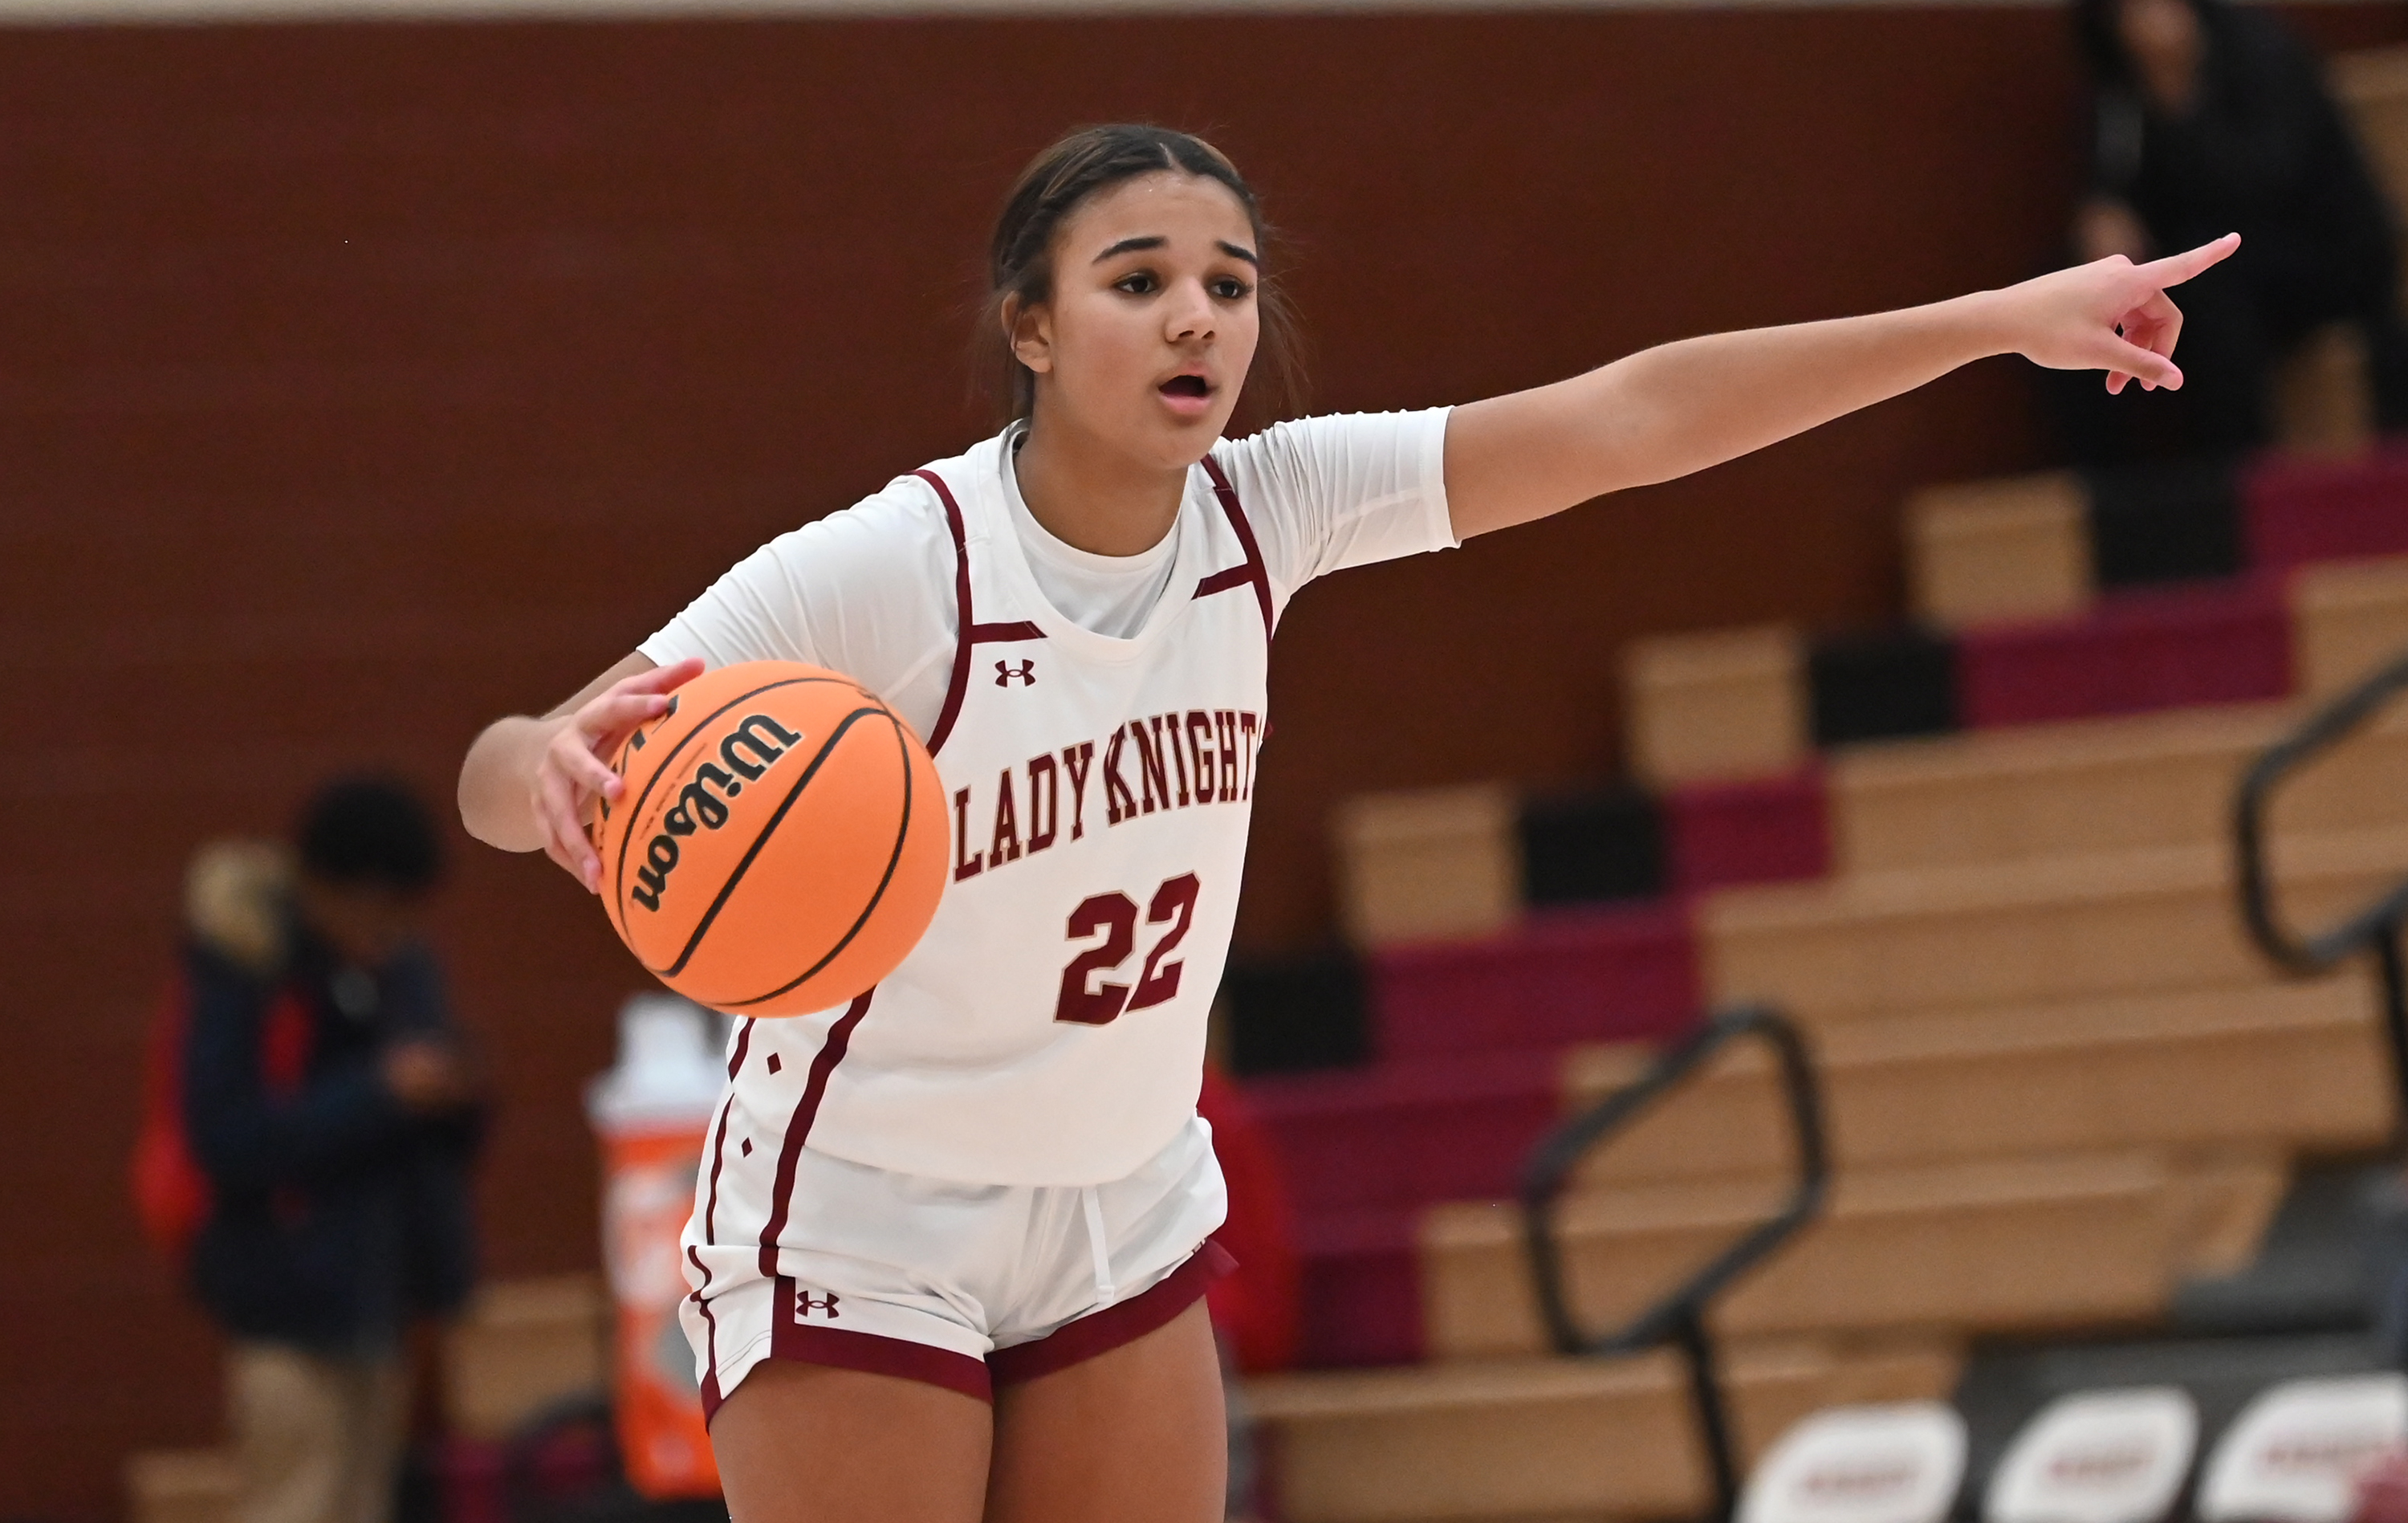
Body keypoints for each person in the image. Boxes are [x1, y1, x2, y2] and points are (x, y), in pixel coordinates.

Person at [457, 123, 2234, 1522]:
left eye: (1227, 283)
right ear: (1029, 323)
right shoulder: (894, 564)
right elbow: (516, 761)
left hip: (1115, 1196)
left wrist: (1998, 322)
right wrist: (542, 761)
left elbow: (1628, 419)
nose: (1196, 318)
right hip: (861, 1205)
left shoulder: (1271, 510)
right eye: (1138, 277)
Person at [182, 779, 484, 1523]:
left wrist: (451, 1094)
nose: (389, 932)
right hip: (283, 1292)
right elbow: (226, 1138)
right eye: (377, 912)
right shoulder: (251, 966)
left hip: (380, 1284)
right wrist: (380, 1094)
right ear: (327, 889)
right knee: (297, 1497)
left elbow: (446, 1126)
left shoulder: (399, 966)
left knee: (363, 1499)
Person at [2056, 0, 2408, 465]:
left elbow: (2268, 184)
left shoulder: (2258, 52)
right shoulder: (2117, 93)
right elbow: (2113, 181)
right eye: (2125, 7)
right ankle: (2108, 490)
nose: (2143, 20)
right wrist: (2104, 216)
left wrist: (2179, 100)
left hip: (2325, 251)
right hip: (2215, 258)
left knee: (2214, 298)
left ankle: (2241, 481)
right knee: (2069, 290)